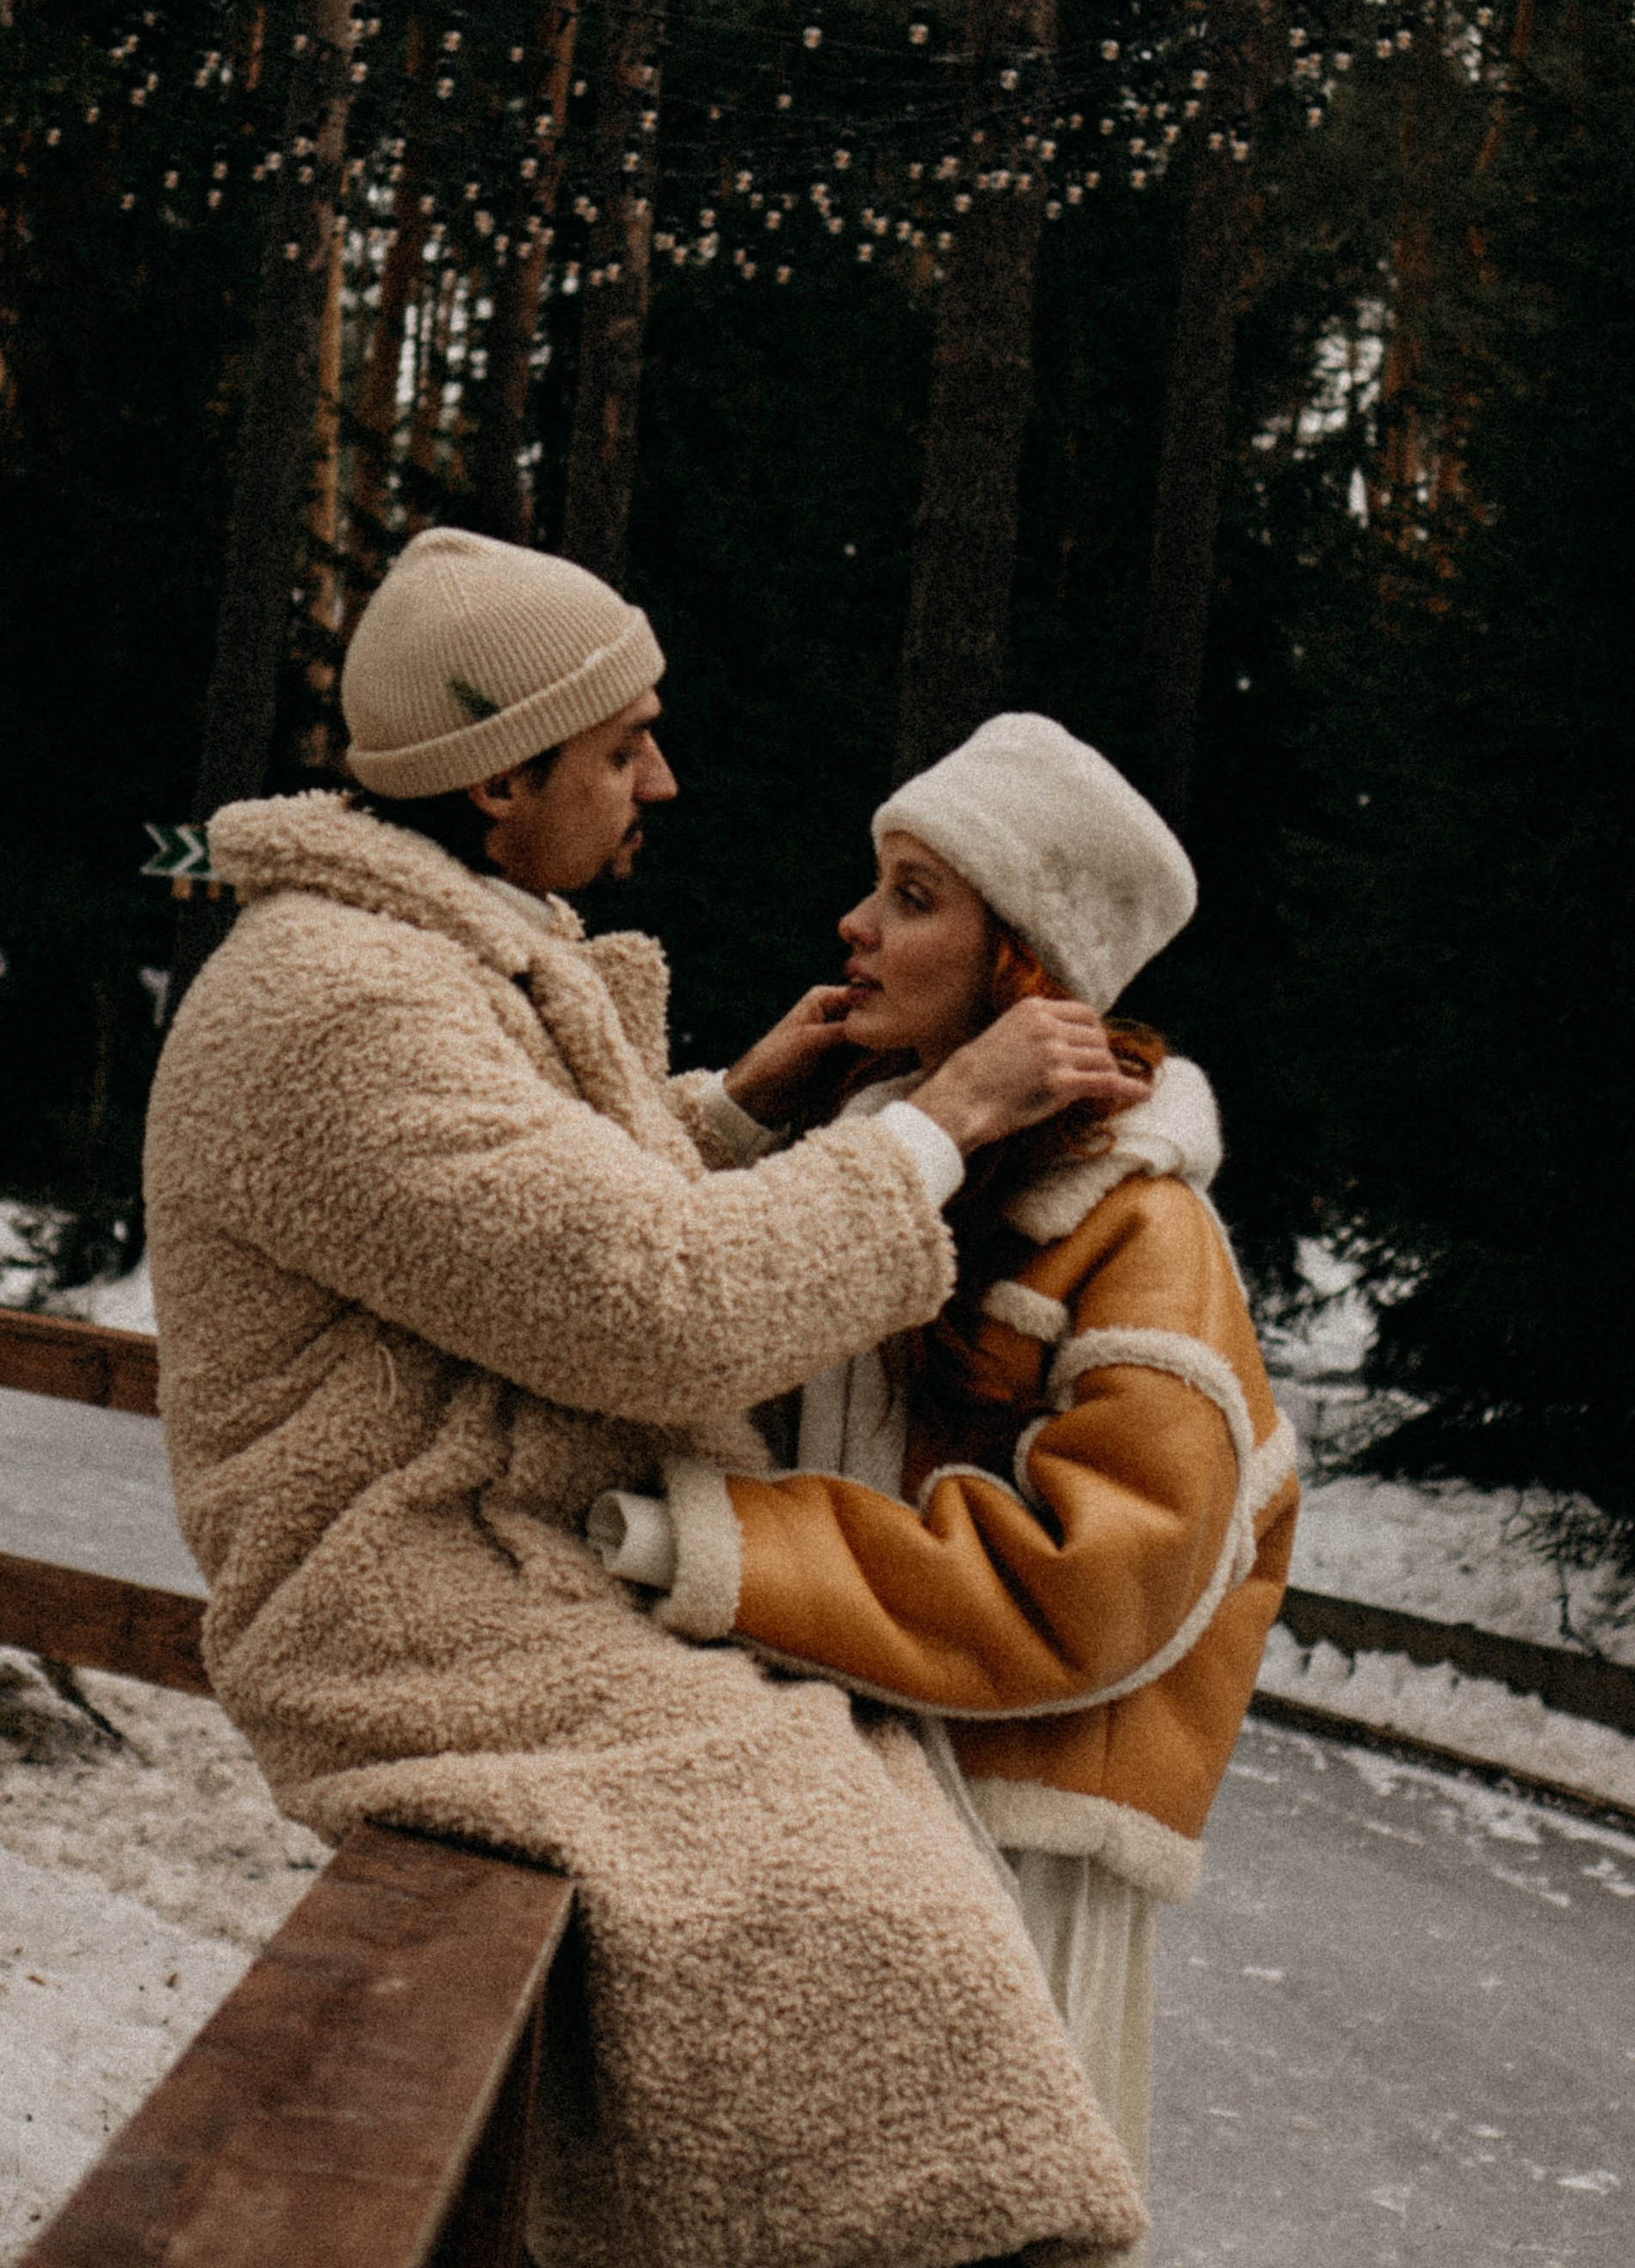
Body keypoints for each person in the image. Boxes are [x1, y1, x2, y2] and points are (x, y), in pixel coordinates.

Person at [144, 530, 1148, 2268]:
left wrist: (739, 1110)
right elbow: (655, 1310)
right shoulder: (341, 1005)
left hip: (498, 1562)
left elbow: (521, 1225)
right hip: (408, 1603)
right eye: (623, 748)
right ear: (498, 776)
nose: (661, 782)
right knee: (857, 1896)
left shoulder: (419, 961)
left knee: (857, 1813)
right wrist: (945, 1118)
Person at [590, 714, 1298, 2213]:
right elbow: (652, 1305)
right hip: (851, 1827)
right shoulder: (879, 1164)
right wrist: (747, 1119)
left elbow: (1093, 1587)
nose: (855, 924)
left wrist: (717, 1545)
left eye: (913, 896)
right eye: (875, 883)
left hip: (1013, 1855)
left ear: (1023, 965)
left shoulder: (1140, 1228)